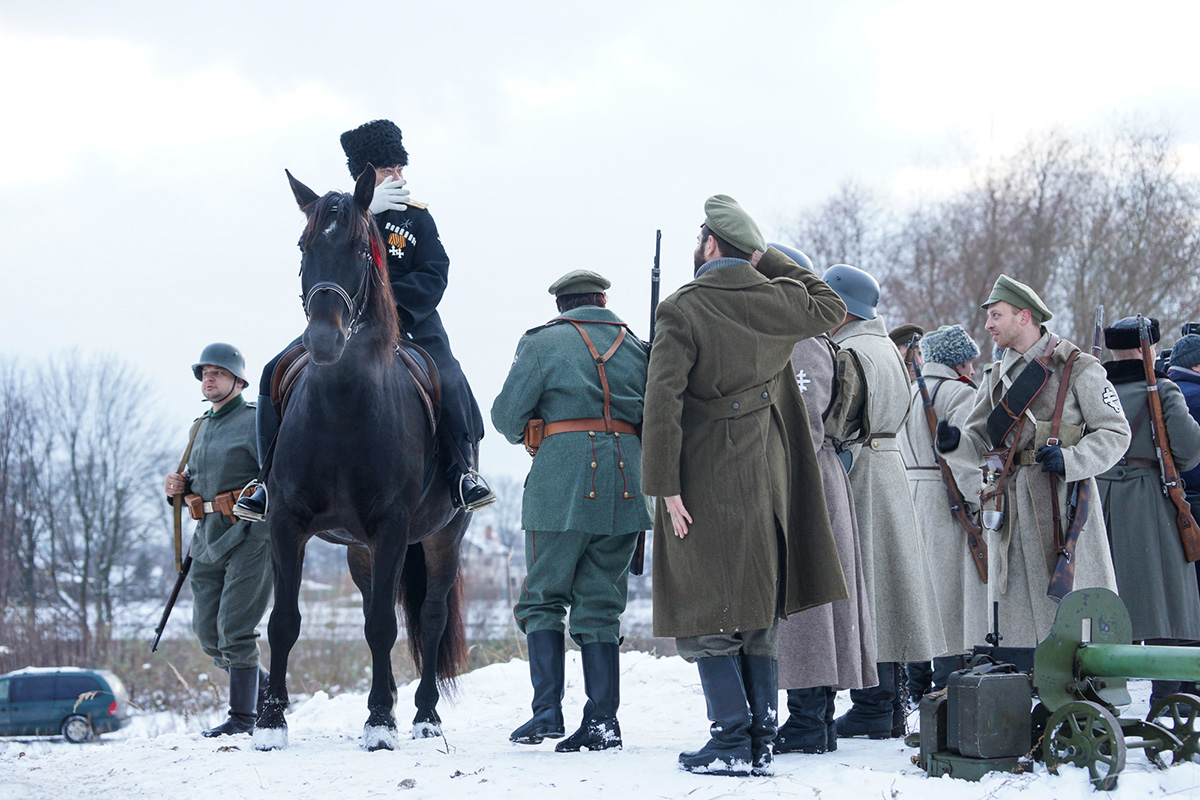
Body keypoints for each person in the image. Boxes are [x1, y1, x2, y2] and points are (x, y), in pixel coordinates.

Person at [641, 196, 848, 776]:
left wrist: (665, 486)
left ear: (710, 244)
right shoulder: (779, 300)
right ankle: (759, 738)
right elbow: (829, 302)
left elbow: (663, 403)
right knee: (757, 601)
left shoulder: (683, 307)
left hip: (703, 470)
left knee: (705, 602)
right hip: (768, 469)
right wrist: (768, 258)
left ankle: (731, 739)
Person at [236, 119, 493, 521]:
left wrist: (395, 307)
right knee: (274, 371)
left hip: (412, 323)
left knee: (451, 377)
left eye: (399, 167)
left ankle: (462, 473)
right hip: (346, 323)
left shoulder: (417, 218)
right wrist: (363, 215)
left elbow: (435, 270)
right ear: (363, 175)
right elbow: (327, 265)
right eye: (386, 168)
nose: (396, 175)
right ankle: (266, 481)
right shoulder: (342, 216)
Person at [490, 269, 653, 753]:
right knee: (602, 603)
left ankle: (546, 713)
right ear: (602, 300)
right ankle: (603, 722)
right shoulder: (639, 348)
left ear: (562, 306)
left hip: (561, 486)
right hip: (627, 483)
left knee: (543, 597)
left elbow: (505, 418)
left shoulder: (543, 343)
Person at [942, 274, 1129, 646]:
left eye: (996, 315)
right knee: (1017, 617)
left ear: (1023, 317)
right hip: (1011, 501)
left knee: (1069, 603)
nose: (988, 325)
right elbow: (980, 437)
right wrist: (955, 442)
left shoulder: (1077, 367)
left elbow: (1116, 433)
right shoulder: (996, 375)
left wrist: (1073, 459)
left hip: (1062, 501)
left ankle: (1078, 681)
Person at [824, 264, 946, 740]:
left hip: (862, 468)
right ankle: (887, 705)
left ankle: (875, 705)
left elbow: (837, 421)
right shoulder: (886, 348)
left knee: (868, 586)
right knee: (887, 587)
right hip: (887, 463)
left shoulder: (851, 350)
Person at [768, 244, 877, 757]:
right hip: (812, 476)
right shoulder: (803, 337)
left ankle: (810, 721)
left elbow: (804, 421)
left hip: (805, 480)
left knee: (809, 608)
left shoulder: (802, 341)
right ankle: (814, 719)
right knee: (811, 605)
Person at [163, 343, 272, 737]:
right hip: (206, 536)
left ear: (238, 380)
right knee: (208, 633)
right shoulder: (200, 426)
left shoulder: (257, 421)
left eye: (218, 373)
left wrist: (260, 533)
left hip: (248, 535)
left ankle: (244, 719)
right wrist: (177, 487)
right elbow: (198, 484)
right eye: (205, 373)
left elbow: (277, 477)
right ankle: (267, 691)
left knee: (234, 629)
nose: (209, 378)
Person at [1095, 318, 1200, 706]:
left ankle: (1104, 697)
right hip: (1150, 501)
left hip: (1099, 500)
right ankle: (1167, 701)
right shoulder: (1163, 389)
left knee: (1105, 600)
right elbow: (1189, 453)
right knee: (1167, 603)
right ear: (1147, 349)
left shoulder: (1095, 389)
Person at [898, 324, 986, 702]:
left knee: (921, 597)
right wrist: (979, 502)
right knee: (951, 602)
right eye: (969, 358)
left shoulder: (909, 393)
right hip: (945, 497)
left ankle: (915, 685)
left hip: (912, 494)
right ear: (959, 360)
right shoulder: (959, 392)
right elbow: (965, 458)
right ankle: (944, 690)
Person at [1169, 334, 1200, 522]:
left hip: (1176, 489)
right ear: (1195, 365)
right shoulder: (1196, 396)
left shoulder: (1164, 388)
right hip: (1196, 492)